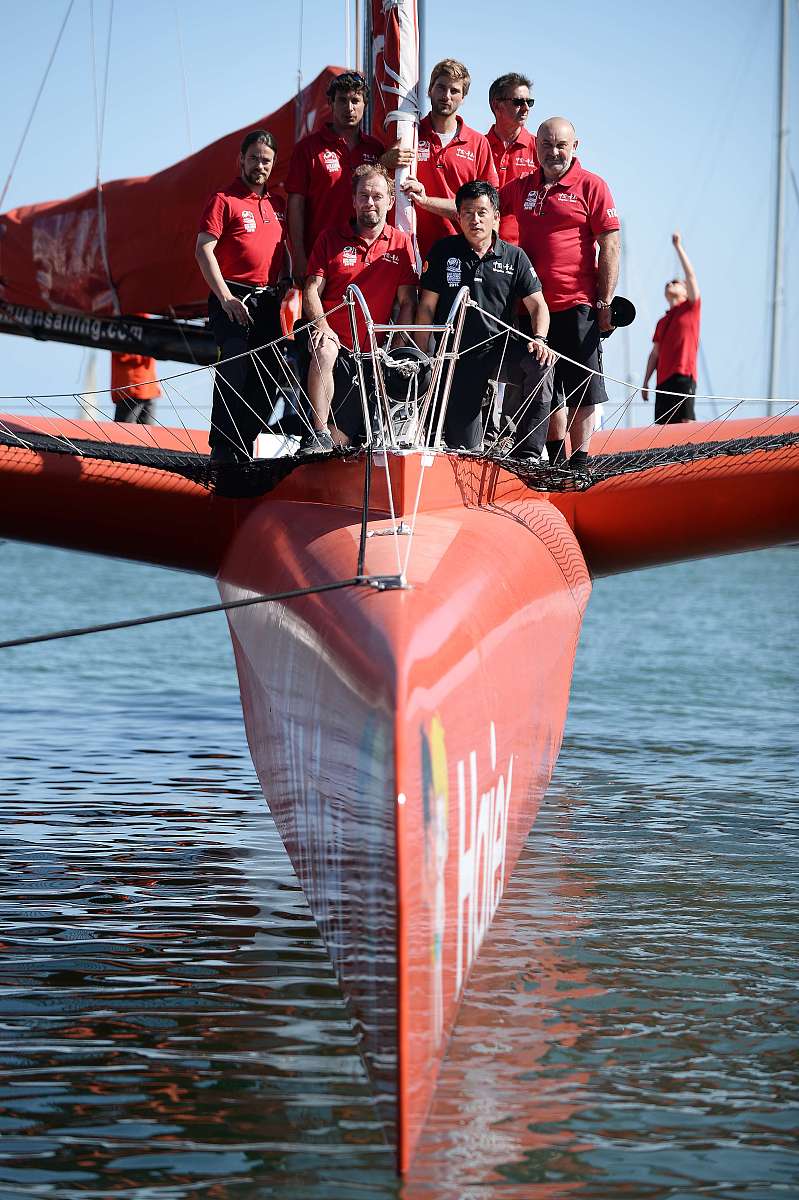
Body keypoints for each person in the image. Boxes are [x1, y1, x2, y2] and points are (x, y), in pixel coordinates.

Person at [499, 117, 621, 470]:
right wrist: (423, 199)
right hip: (533, 310)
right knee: (545, 389)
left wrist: (604, 302)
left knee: (583, 390)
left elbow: (610, 245)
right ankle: (556, 464)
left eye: (561, 146)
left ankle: (580, 465)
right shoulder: (523, 186)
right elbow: (479, 207)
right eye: (546, 146)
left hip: (578, 305)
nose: (554, 152)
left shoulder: (592, 185)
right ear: (535, 148)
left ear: (575, 147)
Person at [415, 180, 556, 455]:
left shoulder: (515, 257)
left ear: (496, 217)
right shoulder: (444, 252)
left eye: (482, 212)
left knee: (542, 364)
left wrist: (540, 339)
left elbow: (538, 305)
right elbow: (426, 308)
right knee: (464, 448)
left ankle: (527, 454)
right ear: (458, 217)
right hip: (457, 355)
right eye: (467, 212)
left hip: (500, 349)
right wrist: (423, 357)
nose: (475, 219)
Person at [301, 164, 418, 454]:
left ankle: (333, 444)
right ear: (353, 200)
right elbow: (311, 290)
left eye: (377, 196)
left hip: (371, 357)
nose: (370, 203)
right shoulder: (330, 238)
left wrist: (397, 347)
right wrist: (323, 328)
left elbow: (407, 302)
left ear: (390, 201)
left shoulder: (402, 245)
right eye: (363, 196)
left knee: (344, 442)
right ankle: (317, 435)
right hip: (333, 345)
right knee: (325, 349)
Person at [196, 129, 289, 463]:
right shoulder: (224, 199)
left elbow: (285, 251)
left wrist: (287, 282)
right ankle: (222, 449)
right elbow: (203, 250)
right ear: (241, 160)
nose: (259, 166)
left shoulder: (278, 204)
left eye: (266, 160)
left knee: (269, 377)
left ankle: (244, 447)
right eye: (253, 158)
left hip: (268, 301)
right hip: (232, 297)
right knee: (234, 365)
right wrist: (225, 299)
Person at [384, 59, 498, 260]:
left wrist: (426, 202)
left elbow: (486, 206)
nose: (446, 96)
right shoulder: (409, 133)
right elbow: (374, 184)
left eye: (454, 91)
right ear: (429, 90)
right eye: (441, 87)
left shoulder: (478, 143)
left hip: (461, 251)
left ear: (463, 97)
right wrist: (385, 162)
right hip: (408, 248)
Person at [286, 72, 384, 287]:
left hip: (365, 258)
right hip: (319, 258)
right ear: (330, 102)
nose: (349, 108)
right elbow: (295, 206)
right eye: (342, 100)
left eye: (355, 100)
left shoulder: (376, 149)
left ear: (365, 104)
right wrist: (299, 256)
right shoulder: (308, 148)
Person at [642, 232, 701, 424]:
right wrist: (645, 382)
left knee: (685, 423)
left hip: (683, 374)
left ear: (685, 291)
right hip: (663, 380)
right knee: (663, 428)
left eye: (676, 282)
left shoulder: (691, 308)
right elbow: (655, 353)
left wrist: (678, 247)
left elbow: (690, 276)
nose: (670, 283)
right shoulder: (662, 321)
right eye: (668, 283)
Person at [486, 73, 538, 190]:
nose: (526, 108)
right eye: (518, 102)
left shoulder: (540, 148)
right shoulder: (478, 146)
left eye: (529, 102)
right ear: (497, 105)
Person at [111, 352, 160, 424]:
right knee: (124, 430)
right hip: (130, 390)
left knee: (149, 432)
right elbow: (123, 355)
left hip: (150, 389)